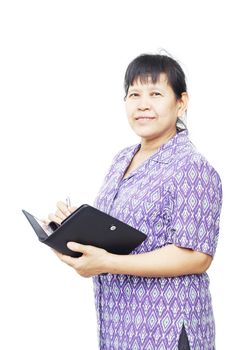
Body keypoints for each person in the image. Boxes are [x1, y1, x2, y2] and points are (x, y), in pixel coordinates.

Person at [46, 53, 222, 349]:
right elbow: (118, 229)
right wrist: (75, 227)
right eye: (134, 94)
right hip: (120, 325)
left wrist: (108, 263)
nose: (143, 104)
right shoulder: (122, 159)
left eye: (155, 94)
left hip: (165, 327)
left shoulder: (191, 167)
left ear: (181, 102)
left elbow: (197, 255)